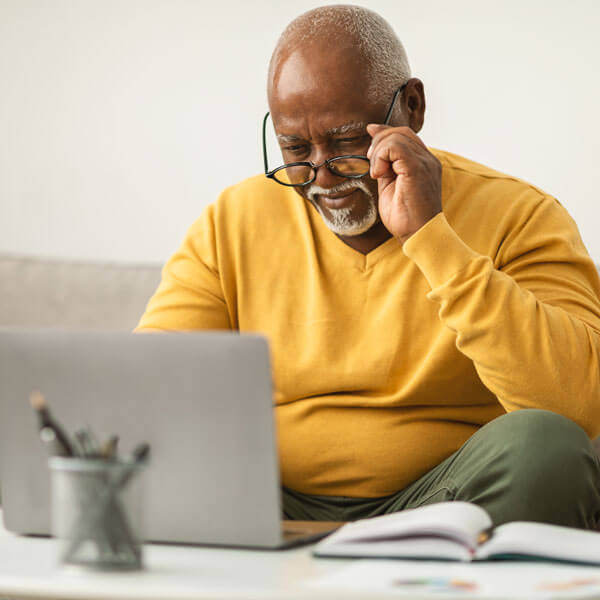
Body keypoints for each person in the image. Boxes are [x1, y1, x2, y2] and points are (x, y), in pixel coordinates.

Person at [136, 5, 600, 528]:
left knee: (547, 449)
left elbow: (576, 404)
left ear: (413, 108)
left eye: (346, 143)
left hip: (448, 500)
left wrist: (432, 237)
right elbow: (151, 385)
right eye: (295, 148)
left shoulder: (521, 214)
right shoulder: (234, 219)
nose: (323, 178)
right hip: (270, 500)